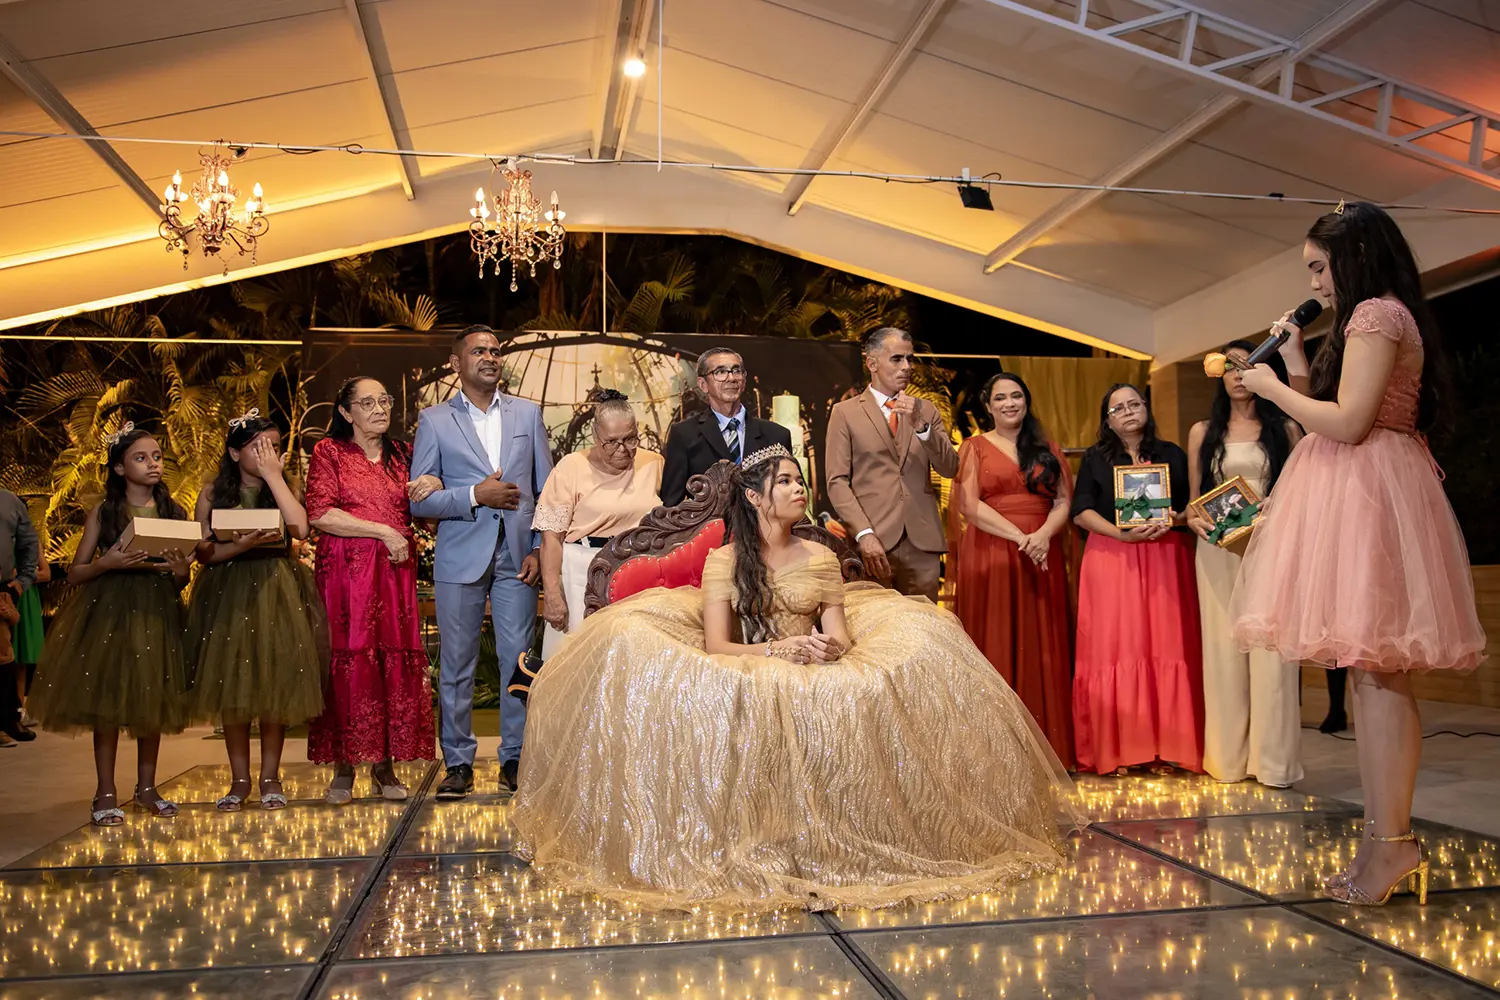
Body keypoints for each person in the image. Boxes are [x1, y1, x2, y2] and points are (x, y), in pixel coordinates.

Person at [512, 443, 1085, 913]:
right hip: (751, 660)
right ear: (756, 497)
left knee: (869, 677)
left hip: (809, 660)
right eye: (784, 482)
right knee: (734, 684)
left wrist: (825, 648)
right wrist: (777, 650)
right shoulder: (726, 560)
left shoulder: (821, 558)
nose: (797, 490)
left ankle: (842, 838)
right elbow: (717, 646)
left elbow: (840, 633)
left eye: (798, 481)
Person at [1232, 202, 1486, 907]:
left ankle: (1393, 842)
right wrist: (1291, 362)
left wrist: (1269, 386)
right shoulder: (1374, 315)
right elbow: (1335, 412)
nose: (1315, 282)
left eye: (1320, 267)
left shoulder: (1376, 314)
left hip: (1371, 493)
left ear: (1356, 257)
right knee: (1372, 675)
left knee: (1381, 675)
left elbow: (1347, 424)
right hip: (1360, 488)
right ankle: (1383, 841)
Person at [410, 325, 553, 799]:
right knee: (456, 663)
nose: (490, 357)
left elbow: (547, 491)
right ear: (456, 363)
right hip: (460, 554)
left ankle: (515, 758)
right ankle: (457, 762)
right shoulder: (434, 420)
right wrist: (475, 495)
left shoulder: (528, 414)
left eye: (495, 350)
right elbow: (420, 501)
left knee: (519, 662)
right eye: (479, 351)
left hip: (518, 557)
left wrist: (539, 548)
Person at [28, 426, 194, 824]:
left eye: (157, 457)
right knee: (108, 704)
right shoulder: (105, 512)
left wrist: (180, 571)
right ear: (119, 468)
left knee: (152, 699)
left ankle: (147, 788)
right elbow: (76, 573)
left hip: (156, 610)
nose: (153, 464)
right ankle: (105, 792)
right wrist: (107, 563)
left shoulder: (173, 512)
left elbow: (179, 577)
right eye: (141, 458)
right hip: (111, 612)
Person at [306, 378, 440, 804]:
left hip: (394, 575)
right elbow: (320, 512)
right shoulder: (329, 451)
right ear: (346, 412)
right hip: (346, 575)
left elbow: (424, 511)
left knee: (389, 661)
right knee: (349, 662)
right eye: (367, 403)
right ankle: (343, 767)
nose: (380, 409)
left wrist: (434, 485)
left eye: (384, 400)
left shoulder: (404, 454)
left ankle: (385, 767)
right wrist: (383, 531)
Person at [187, 410, 328, 811]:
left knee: (272, 685)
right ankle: (239, 779)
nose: (268, 454)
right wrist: (239, 546)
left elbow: (300, 528)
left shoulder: (283, 485)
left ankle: (270, 777)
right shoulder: (213, 492)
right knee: (234, 688)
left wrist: (274, 477)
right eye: (257, 447)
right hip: (229, 589)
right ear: (234, 452)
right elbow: (203, 551)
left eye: (274, 447)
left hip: (276, 588)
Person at [1186, 343, 1304, 789]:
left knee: (1273, 653)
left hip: (1272, 546)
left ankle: (1274, 763)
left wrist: (1279, 506)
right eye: (1231, 368)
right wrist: (1194, 519)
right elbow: (1194, 502)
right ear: (1220, 376)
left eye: (1247, 366)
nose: (1238, 376)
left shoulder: (1286, 428)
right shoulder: (1202, 432)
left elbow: (1306, 488)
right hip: (1218, 550)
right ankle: (1227, 761)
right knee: (1223, 650)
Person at [1071, 384, 1203, 776]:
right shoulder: (1095, 458)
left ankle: (1170, 746)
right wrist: (1120, 533)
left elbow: (1189, 508)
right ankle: (1121, 749)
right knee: (1117, 647)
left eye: (1135, 404)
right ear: (1107, 420)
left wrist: (1174, 519)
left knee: (1168, 644)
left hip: (1166, 554)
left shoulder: (1172, 454)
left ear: (1146, 408)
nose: (1128, 411)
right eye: (1119, 408)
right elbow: (1081, 511)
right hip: (1112, 556)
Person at [951, 372, 1075, 766]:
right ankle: (998, 751)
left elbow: (1063, 501)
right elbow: (969, 505)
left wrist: (1043, 536)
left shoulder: (1047, 448)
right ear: (988, 407)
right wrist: (1022, 538)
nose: (1009, 403)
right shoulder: (973, 447)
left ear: (1026, 400)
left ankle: (1048, 745)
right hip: (993, 549)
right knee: (997, 635)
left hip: (1043, 550)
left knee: (1044, 639)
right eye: (1001, 398)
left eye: (1016, 396)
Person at [826, 327, 959, 602]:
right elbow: (837, 481)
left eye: (910, 359)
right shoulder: (845, 413)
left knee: (924, 623)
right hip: (872, 541)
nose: (907, 367)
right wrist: (864, 534)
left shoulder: (926, 410)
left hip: (922, 542)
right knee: (876, 622)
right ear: (872, 364)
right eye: (897, 359)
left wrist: (921, 427)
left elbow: (950, 468)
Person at [535, 390, 663, 656]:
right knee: (580, 656)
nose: (622, 449)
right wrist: (553, 594)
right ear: (595, 436)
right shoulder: (571, 467)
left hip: (639, 570)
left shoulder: (654, 463)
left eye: (630, 439)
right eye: (611, 442)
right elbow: (551, 539)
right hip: (583, 569)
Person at [660, 348, 791, 506]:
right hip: (708, 521)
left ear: (744, 381)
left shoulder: (776, 436)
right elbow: (671, 504)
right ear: (703, 384)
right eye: (720, 372)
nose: (731, 378)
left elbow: (787, 499)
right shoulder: (684, 435)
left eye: (737, 371)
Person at [0, 487, 39, 747]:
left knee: (4, 658)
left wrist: (22, 580)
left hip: (1, 588)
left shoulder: (9, 500)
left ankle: (7, 719)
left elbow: (29, 543)